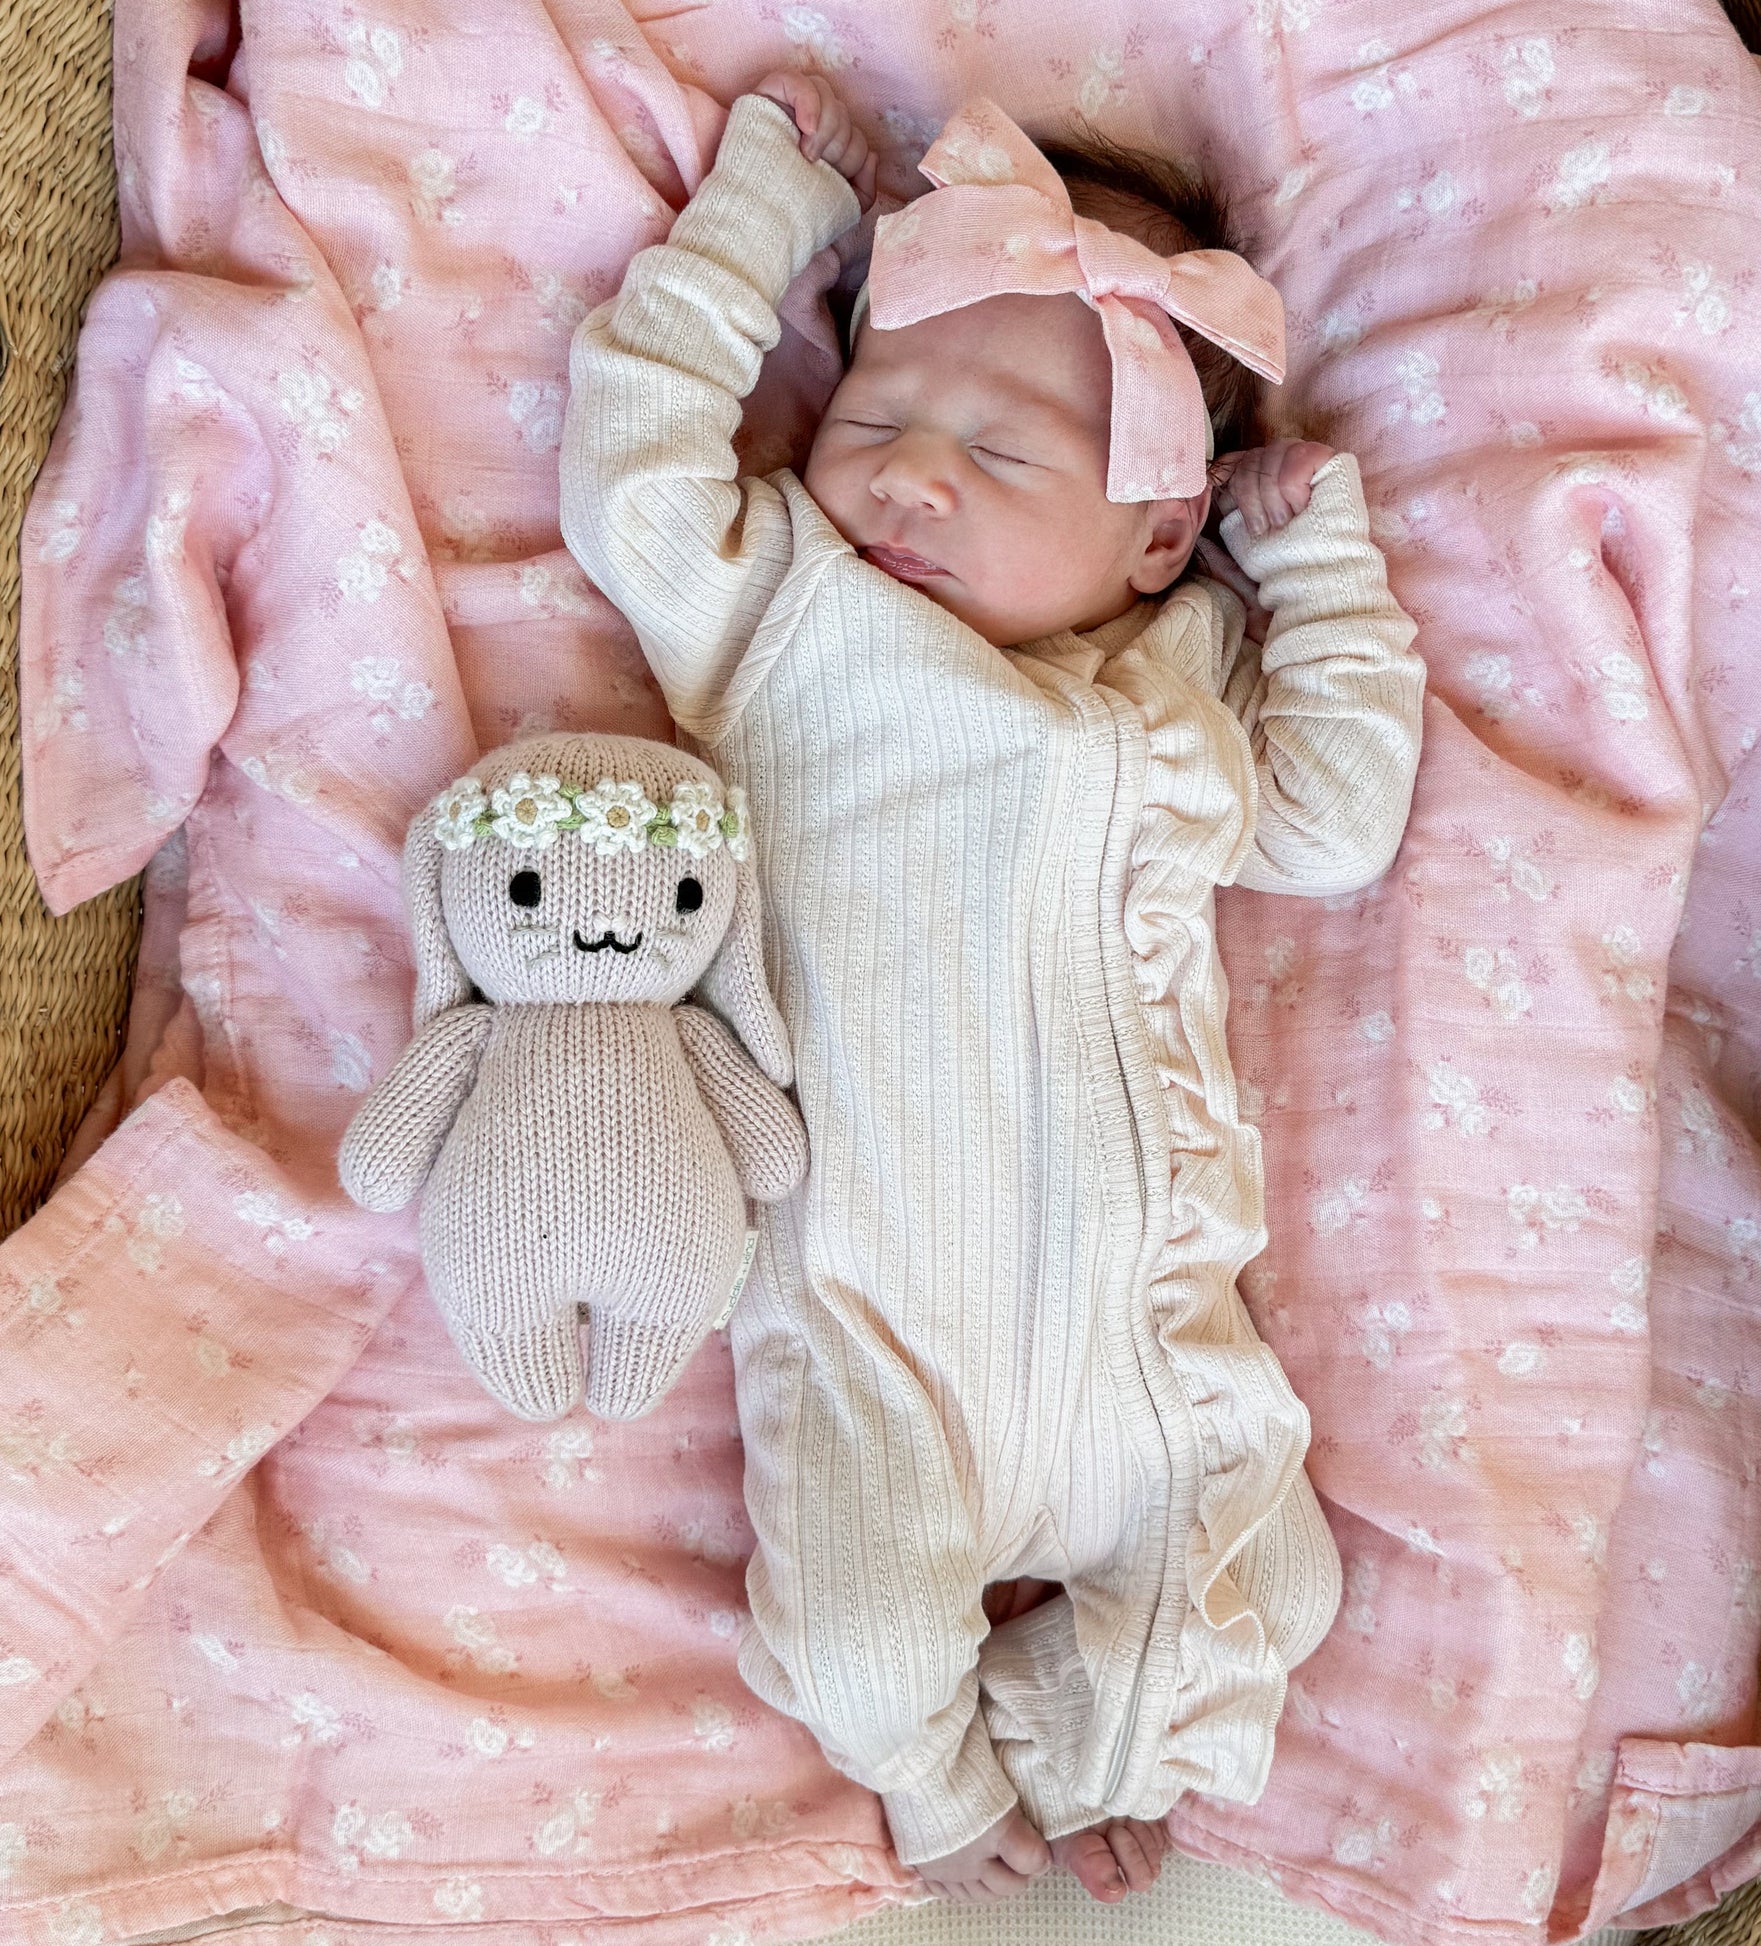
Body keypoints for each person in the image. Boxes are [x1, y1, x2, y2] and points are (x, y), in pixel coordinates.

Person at [560, 72, 1424, 1906]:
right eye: (873, 408)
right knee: (866, 1651)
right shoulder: (792, 622)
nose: (907, 469)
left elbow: (1335, 827)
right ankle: (952, 1789)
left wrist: (1319, 568)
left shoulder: (1179, 693)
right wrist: (760, 211)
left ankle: (1085, 1735)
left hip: (1153, 1342)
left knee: (1281, 1588)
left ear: (1154, 540)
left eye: (1005, 453)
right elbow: (634, 468)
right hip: (880, 1321)